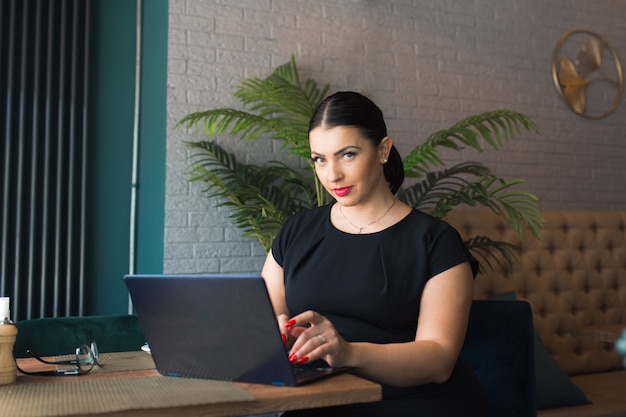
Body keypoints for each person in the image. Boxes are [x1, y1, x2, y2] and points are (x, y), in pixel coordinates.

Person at [261, 91, 490, 416]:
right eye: (320, 159)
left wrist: (349, 353)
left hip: (413, 403)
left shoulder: (435, 241)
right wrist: (276, 332)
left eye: (348, 155)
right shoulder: (296, 231)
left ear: (383, 150)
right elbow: (265, 320)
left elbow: (439, 360)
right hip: (317, 401)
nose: (332, 174)